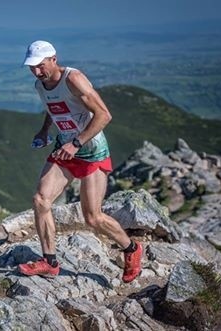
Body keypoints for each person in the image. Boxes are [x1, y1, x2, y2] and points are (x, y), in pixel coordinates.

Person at [18, 40, 142, 283]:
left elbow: (104, 115)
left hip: (91, 152)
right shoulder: (40, 85)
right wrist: (44, 131)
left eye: (40, 66)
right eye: (31, 67)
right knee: (40, 200)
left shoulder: (73, 79)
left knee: (92, 218)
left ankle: (132, 249)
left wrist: (76, 143)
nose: (36, 72)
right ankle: (49, 262)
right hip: (64, 150)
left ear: (54, 59)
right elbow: (53, 108)